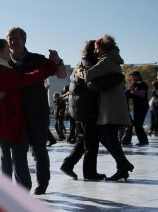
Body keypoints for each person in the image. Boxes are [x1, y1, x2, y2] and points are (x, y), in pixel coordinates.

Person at [0, 27, 68, 195]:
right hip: (15, 116)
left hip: (37, 113)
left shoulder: (37, 59)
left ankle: (42, 183)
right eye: (9, 39)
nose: (13, 42)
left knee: (39, 151)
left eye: (16, 38)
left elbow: (62, 75)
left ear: (24, 40)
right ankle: (22, 190)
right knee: (18, 154)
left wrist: (57, 61)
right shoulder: (2, 62)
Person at [60, 40, 124, 181]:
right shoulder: (89, 62)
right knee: (91, 142)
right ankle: (89, 173)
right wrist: (117, 78)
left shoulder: (81, 62)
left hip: (79, 107)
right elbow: (93, 84)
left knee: (83, 139)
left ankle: (68, 164)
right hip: (87, 108)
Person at [77, 35, 134, 182]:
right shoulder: (112, 59)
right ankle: (123, 166)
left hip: (111, 105)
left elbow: (89, 75)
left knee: (107, 137)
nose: (95, 51)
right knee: (109, 137)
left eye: (97, 48)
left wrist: (79, 71)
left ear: (103, 47)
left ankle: (123, 165)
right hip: (112, 104)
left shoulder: (107, 60)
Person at [127, 70, 150, 145]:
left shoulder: (142, 84)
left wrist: (133, 90)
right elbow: (132, 95)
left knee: (138, 124)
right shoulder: (135, 84)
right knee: (137, 124)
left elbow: (142, 94)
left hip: (142, 107)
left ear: (137, 76)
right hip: (138, 107)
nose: (132, 78)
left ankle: (143, 141)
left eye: (133, 76)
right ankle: (143, 140)